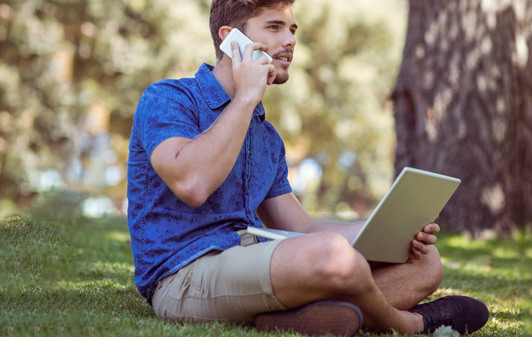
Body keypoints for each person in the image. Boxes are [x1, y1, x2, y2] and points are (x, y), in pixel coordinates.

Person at [126, 0, 489, 335]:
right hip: (182, 276)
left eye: (292, 30)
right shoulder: (167, 98)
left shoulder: (265, 137)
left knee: (425, 263)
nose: (289, 41)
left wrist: (387, 232)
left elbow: (301, 227)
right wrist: (246, 95)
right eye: (274, 27)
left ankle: (291, 321)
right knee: (331, 256)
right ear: (230, 40)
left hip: (251, 259)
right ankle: (411, 324)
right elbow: (192, 183)